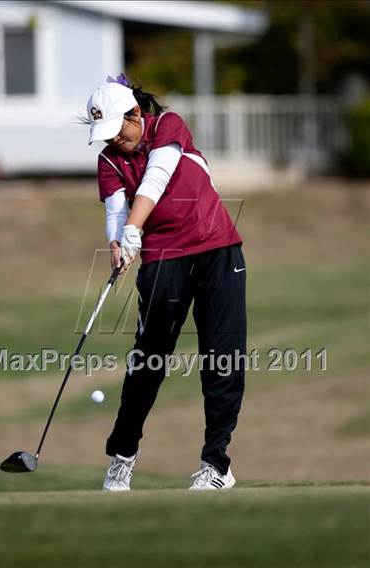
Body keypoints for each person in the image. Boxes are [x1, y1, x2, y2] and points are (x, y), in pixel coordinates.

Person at [84, 73, 246, 491]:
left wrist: (135, 226)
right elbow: (115, 212)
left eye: (118, 130)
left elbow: (157, 175)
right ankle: (122, 455)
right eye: (105, 135)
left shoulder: (168, 126)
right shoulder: (109, 159)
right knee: (149, 360)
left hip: (216, 249)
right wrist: (119, 243)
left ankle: (216, 465)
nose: (114, 141)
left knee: (222, 358)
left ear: (136, 114)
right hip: (163, 260)